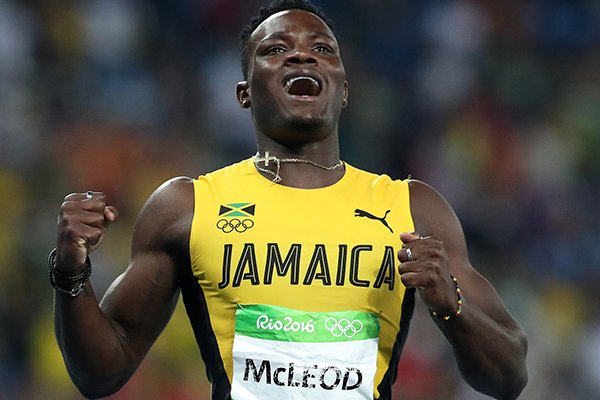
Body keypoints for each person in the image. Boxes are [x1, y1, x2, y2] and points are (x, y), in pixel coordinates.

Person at [51, 0, 528, 399]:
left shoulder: (414, 208)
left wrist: (450, 303)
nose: (303, 57)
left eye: (323, 49)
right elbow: (101, 373)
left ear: (344, 90)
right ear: (243, 93)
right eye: (277, 50)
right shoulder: (187, 207)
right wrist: (71, 272)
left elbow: (509, 375)